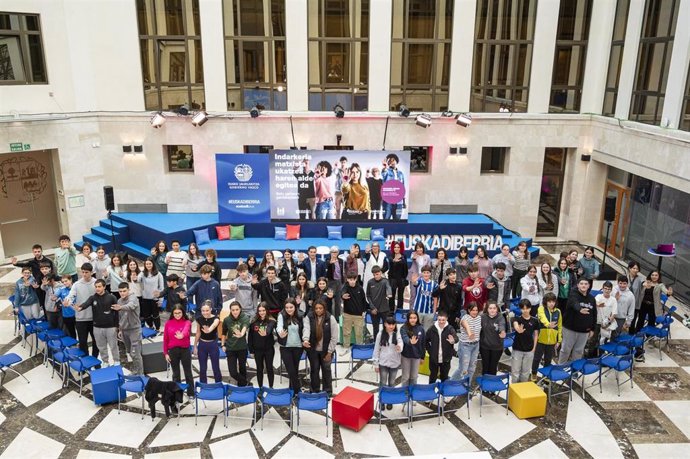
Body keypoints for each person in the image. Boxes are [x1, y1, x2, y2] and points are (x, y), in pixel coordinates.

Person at [76, 279, 119, 367]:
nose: (97, 288)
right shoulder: (93, 298)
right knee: (101, 346)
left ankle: (117, 361)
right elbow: (86, 304)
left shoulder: (111, 297)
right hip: (97, 327)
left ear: (104, 287)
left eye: (99, 286)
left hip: (110, 327)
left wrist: (117, 326)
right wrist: (80, 307)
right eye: (96, 287)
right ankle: (105, 361)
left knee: (113, 346)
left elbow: (117, 313)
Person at [303, 300, 338, 395]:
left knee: (326, 370)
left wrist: (330, 352)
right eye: (316, 308)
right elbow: (306, 329)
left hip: (326, 351)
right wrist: (305, 339)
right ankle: (314, 390)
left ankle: (327, 391)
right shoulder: (309, 316)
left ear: (324, 308)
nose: (318, 310)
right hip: (313, 350)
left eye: (320, 308)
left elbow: (334, 337)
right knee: (314, 370)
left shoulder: (330, 318)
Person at [558, 279, 597, 364]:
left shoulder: (591, 298)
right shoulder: (573, 295)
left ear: (589, 286)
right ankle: (559, 369)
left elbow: (594, 314)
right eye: (581, 283)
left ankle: (574, 372)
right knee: (565, 350)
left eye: (586, 284)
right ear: (578, 285)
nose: (583, 285)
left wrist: (592, 329)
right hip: (570, 329)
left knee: (578, 352)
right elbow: (574, 303)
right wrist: (580, 309)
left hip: (584, 331)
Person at [63, 263, 98, 357]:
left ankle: (95, 359)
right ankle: (85, 359)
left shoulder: (97, 283)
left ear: (91, 272)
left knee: (96, 340)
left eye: (86, 272)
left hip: (94, 318)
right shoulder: (77, 284)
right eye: (82, 272)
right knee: (82, 341)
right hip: (81, 318)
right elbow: (71, 296)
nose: (84, 274)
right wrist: (68, 302)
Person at [163, 304, 194, 397]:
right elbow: (165, 339)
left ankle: (191, 393)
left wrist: (182, 335)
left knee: (188, 372)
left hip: (185, 350)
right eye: (175, 313)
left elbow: (185, 330)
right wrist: (165, 353)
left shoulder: (187, 322)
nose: (177, 315)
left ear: (183, 312)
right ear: (172, 313)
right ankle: (177, 394)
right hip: (173, 351)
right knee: (176, 374)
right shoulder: (168, 323)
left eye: (179, 313)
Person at [11, 244, 54, 310]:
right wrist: (16, 264)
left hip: (47, 283)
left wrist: (51, 281)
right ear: (33, 252)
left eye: (38, 251)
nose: (37, 253)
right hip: (37, 284)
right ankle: (45, 315)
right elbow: (24, 264)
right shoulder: (32, 262)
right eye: (35, 252)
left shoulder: (48, 261)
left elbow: (53, 271)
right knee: (41, 301)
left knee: (49, 299)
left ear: (42, 251)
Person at [112, 282, 143, 374]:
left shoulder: (133, 298)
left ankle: (140, 374)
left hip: (134, 330)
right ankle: (136, 370)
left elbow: (130, 306)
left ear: (128, 290)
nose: (122, 293)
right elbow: (120, 317)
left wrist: (121, 307)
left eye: (124, 291)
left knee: (135, 353)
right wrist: (120, 329)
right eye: (120, 291)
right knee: (130, 352)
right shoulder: (119, 301)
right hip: (125, 330)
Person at [374, 316, 403, 410]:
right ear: (385, 324)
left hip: (394, 363)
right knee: (383, 382)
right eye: (389, 324)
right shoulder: (380, 334)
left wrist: (399, 347)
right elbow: (376, 349)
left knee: (391, 383)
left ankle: (389, 400)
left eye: (393, 324)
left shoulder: (397, 333)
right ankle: (382, 401)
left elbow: (401, 343)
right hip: (383, 362)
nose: (391, 326)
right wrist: (376, 363)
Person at [531, 293, 562, 381]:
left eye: (553, 301)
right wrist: (548, 324)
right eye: (549, 301)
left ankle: (546, 375)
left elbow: (559, 326)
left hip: (552, 341)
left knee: (548, 360)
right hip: (541, 340)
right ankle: (534, 374)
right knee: (536, 358)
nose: (551, 303)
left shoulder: (558, 312)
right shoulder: (541, 309)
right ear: (545, 302)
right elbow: (543, 318)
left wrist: (559, 340)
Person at [276, 299, 304, 393]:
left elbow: (305, 329)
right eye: (287, 307)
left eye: (291, 307)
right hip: (285, 347)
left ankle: (292, 390)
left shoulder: (301, 315)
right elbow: (279, 326)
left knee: (294, 370)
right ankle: (298, 390)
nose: (289, 309)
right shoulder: (281, 315)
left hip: (298, 347)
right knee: (291, 370)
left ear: (295, 307)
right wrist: (280, 333)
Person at [451, 302, 482, 385]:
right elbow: (466, 325)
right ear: (468, 310)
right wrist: (469, 333)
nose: (475, 312)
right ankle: (451, 382)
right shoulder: (465, 318)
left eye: (476, 310)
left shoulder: (479, 318)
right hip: (465, 346)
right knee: (463, 369)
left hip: (475, 345)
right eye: (473, 310)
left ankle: (466, 384)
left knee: (472, 368)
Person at [634, 270, 673, 335]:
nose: (654, 277)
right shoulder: (646, 282)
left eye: (656, 275)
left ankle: (648, 335)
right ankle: (638, 334)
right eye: (652, 275)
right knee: (640, 320)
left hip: (653, 306)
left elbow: (666, 291)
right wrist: (643, 284)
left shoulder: (660, 285)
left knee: (651, 321)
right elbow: (641, 286)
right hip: (643, 304)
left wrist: (668, 293)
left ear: (659, 277)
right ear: (650, 275)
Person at [221, 301, 250, 386]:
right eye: (233, 310)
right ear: (230, 310)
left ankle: (242, 388)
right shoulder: (227, 320)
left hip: (242, 348)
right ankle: (245, 383)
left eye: (237, 309)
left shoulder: (244, 317)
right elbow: (223, 333)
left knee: (242, 369)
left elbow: (245, 326)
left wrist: (241, 334)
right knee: (233, 372)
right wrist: (223, 344)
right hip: (230, 348)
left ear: (240, 309)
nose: (235, 312)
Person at [248, 303, 277, 388]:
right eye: (260, 311)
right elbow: (250, 337)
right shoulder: (254, 322)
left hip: (269, 350)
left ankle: (271, 387)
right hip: (257, 350)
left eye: (263, 310)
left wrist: (266, 333)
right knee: (259, 369)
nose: (261, 312)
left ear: (267, 310)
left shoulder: (272, 320)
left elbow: (270, 327)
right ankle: (260, 387)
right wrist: (251, 350)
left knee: (269, 368)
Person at [193, 301, 222, 384]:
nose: (205, 313)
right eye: (203, 311)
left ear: (211, 310)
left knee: (215, 367)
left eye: (207, 310)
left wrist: (208, 330)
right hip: (202, 345)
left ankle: (218, 385)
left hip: (212, 345)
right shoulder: (199, 319)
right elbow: (198, 332)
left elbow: (213, 325)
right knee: (202, 368)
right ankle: (203, 385)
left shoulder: (216, 318)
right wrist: (195, 346)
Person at [424, 311, 457, 383]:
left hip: (446, 359)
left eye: (443, 320)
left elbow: (456, 338)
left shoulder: (450, 328)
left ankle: (443, 392)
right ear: (437, 319)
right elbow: (425, 340)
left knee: (444, 377)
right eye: (439, 320)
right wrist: (430, 351)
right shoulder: (432, 329)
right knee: (433, 377)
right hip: (434, 358)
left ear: (447, 319)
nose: (441, 322)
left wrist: (453, 341)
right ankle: (431, 392)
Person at [511, 299, 539, 383]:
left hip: (529, 349)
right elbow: (515, 325)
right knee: (515, 372)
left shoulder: (535, 320)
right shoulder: (517, 318)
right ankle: (514, 390)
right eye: (523, 308)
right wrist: (518, 329)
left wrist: (534, 348)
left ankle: (523, 390)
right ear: (520, 309)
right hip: (517, 349)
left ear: (530, 308)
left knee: (525, 373)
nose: (525, 310)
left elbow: (536, 334)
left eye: (527, 308)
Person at [341, 272, 368, 347]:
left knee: (359, 333)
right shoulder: (345, 287)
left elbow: (363, 301)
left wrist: (363, 311)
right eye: (350, 279)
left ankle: (359, 347)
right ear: (347, 279)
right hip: (347, 314)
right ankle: (346, 346)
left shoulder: (360, 288)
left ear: (356, 279)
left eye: (353, 279)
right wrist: (343, 296)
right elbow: (342, 292)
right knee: (346, 333)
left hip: (358, 315)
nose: (352, 281)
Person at [366, 266, 393, 340]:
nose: (376, 276)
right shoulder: (370, 282)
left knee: (386, 327)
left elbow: (388, 288)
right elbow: (368, 296)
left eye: (377, 274)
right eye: (374, 275)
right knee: (375, 328)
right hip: (374, 310)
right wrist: (372, 308)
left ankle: (386, 341)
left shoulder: (385, 281)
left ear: (381, 273)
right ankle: (376, 342)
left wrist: (389, 293)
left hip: (384, 309)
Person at [400, 311, 425, 388]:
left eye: (414, 318)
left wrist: (422, 357)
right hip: (406, 356)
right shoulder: (403, 328)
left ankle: (412, 392)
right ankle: (404, 393)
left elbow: (423, 343)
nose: (413, 320)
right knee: (405, 377)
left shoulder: (421, 329)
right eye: (410, 318)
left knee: (414, 377)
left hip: (416, 356)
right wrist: (410, 342)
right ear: (408, 319)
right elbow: (405, 338)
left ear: (417, 318)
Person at [479, 302, 506, 375]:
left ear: (497, 309)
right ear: (487, 309)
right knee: (485, 366)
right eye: (490, 308)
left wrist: (502, 332)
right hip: (485, 346)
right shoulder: (482, 317)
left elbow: (501, 326)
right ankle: (484, 385)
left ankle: (491, 384)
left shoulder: (500, 317)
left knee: (493, 368)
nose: (492, 310)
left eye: (494, 308)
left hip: (497, 347)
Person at [590, 281, 618, 352]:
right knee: (594, 339)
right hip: (597, 322)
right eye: (605, 288)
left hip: (607, 323)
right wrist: (599, 305)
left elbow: (614, 313)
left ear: (611, 290)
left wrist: (607, 324)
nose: (607, 290)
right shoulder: (598, 296)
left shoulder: (613, 299)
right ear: (602, 288)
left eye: (609, 289)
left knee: (604, 341)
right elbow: (595, 303)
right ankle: (591, 355)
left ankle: (602, 355)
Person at [139, 258, 164, 331]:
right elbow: (137, 280)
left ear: (153, 264)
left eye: (150, 263)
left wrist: (160, 299)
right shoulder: (143, 273)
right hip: (145, 297)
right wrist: (139, 275)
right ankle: (150, 326)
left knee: (155, 315)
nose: (148, 265)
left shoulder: (158, 274)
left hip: (155, 298)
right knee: (146, 315)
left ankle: (158, 328)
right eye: (147, 264)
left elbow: (161, 287)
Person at [381, 153, 406, 220]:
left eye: (393, 160)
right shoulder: (386, 172)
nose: (392, 162)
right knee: (386, 219)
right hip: (388, 201)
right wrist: (385, 167)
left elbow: (403, 187)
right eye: (390, 160)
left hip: (399, 202)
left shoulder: (400, 173)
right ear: (388, 162)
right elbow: (383, 174)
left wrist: (404, 201)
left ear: (396, 161)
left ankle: (397, 231)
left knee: (397, 219)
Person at [624, 261, 646, 333]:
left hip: (635, 305)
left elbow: (644, 283)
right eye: (634, 268)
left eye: (637, 269)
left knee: (632, 323)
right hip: (624, 304)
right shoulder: (624, 277)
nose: (636, 270)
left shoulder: (640, 278)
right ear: (629, 268)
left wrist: (645, 284)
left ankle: (630, 339)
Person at [387, 241, 408, 313]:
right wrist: (393, 261)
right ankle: (391, 310)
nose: (396, 248)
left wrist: (404, 278)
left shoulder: (403, 256)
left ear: (400, 248)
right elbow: (390, 263)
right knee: (391, 295)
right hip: (393, 279)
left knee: (400, 295)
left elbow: (405, 267)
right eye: (395, 247)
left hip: (401, 279)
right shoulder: (391, 256)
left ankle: (399, 309)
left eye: (398, 247)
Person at [409, 242, 431, 306]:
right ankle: (412, 310)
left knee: (422, 294)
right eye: (417, 248)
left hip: (423, 277)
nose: (419, 249)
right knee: (413, 294)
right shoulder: (413, 254)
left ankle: (421, 309)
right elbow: (412, 258)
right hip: (414, 277)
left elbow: (429, 268)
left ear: (423, 248)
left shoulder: (427, 257)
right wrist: (414, 257)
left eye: (420, 248)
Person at [325, 246, 346, 318]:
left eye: (336, 252)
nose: (334, 253)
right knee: (329, 299)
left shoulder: (341, 260)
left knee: (338, 300)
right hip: (331, 282)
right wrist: (330, 263)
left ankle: (337, 317)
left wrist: (343, 281)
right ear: (330, 253)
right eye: (333, 252)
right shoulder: (327, 260)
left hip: (339, 282)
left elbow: (342, 271)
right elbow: (327, 268)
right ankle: (329, 316)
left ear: (338, 253)